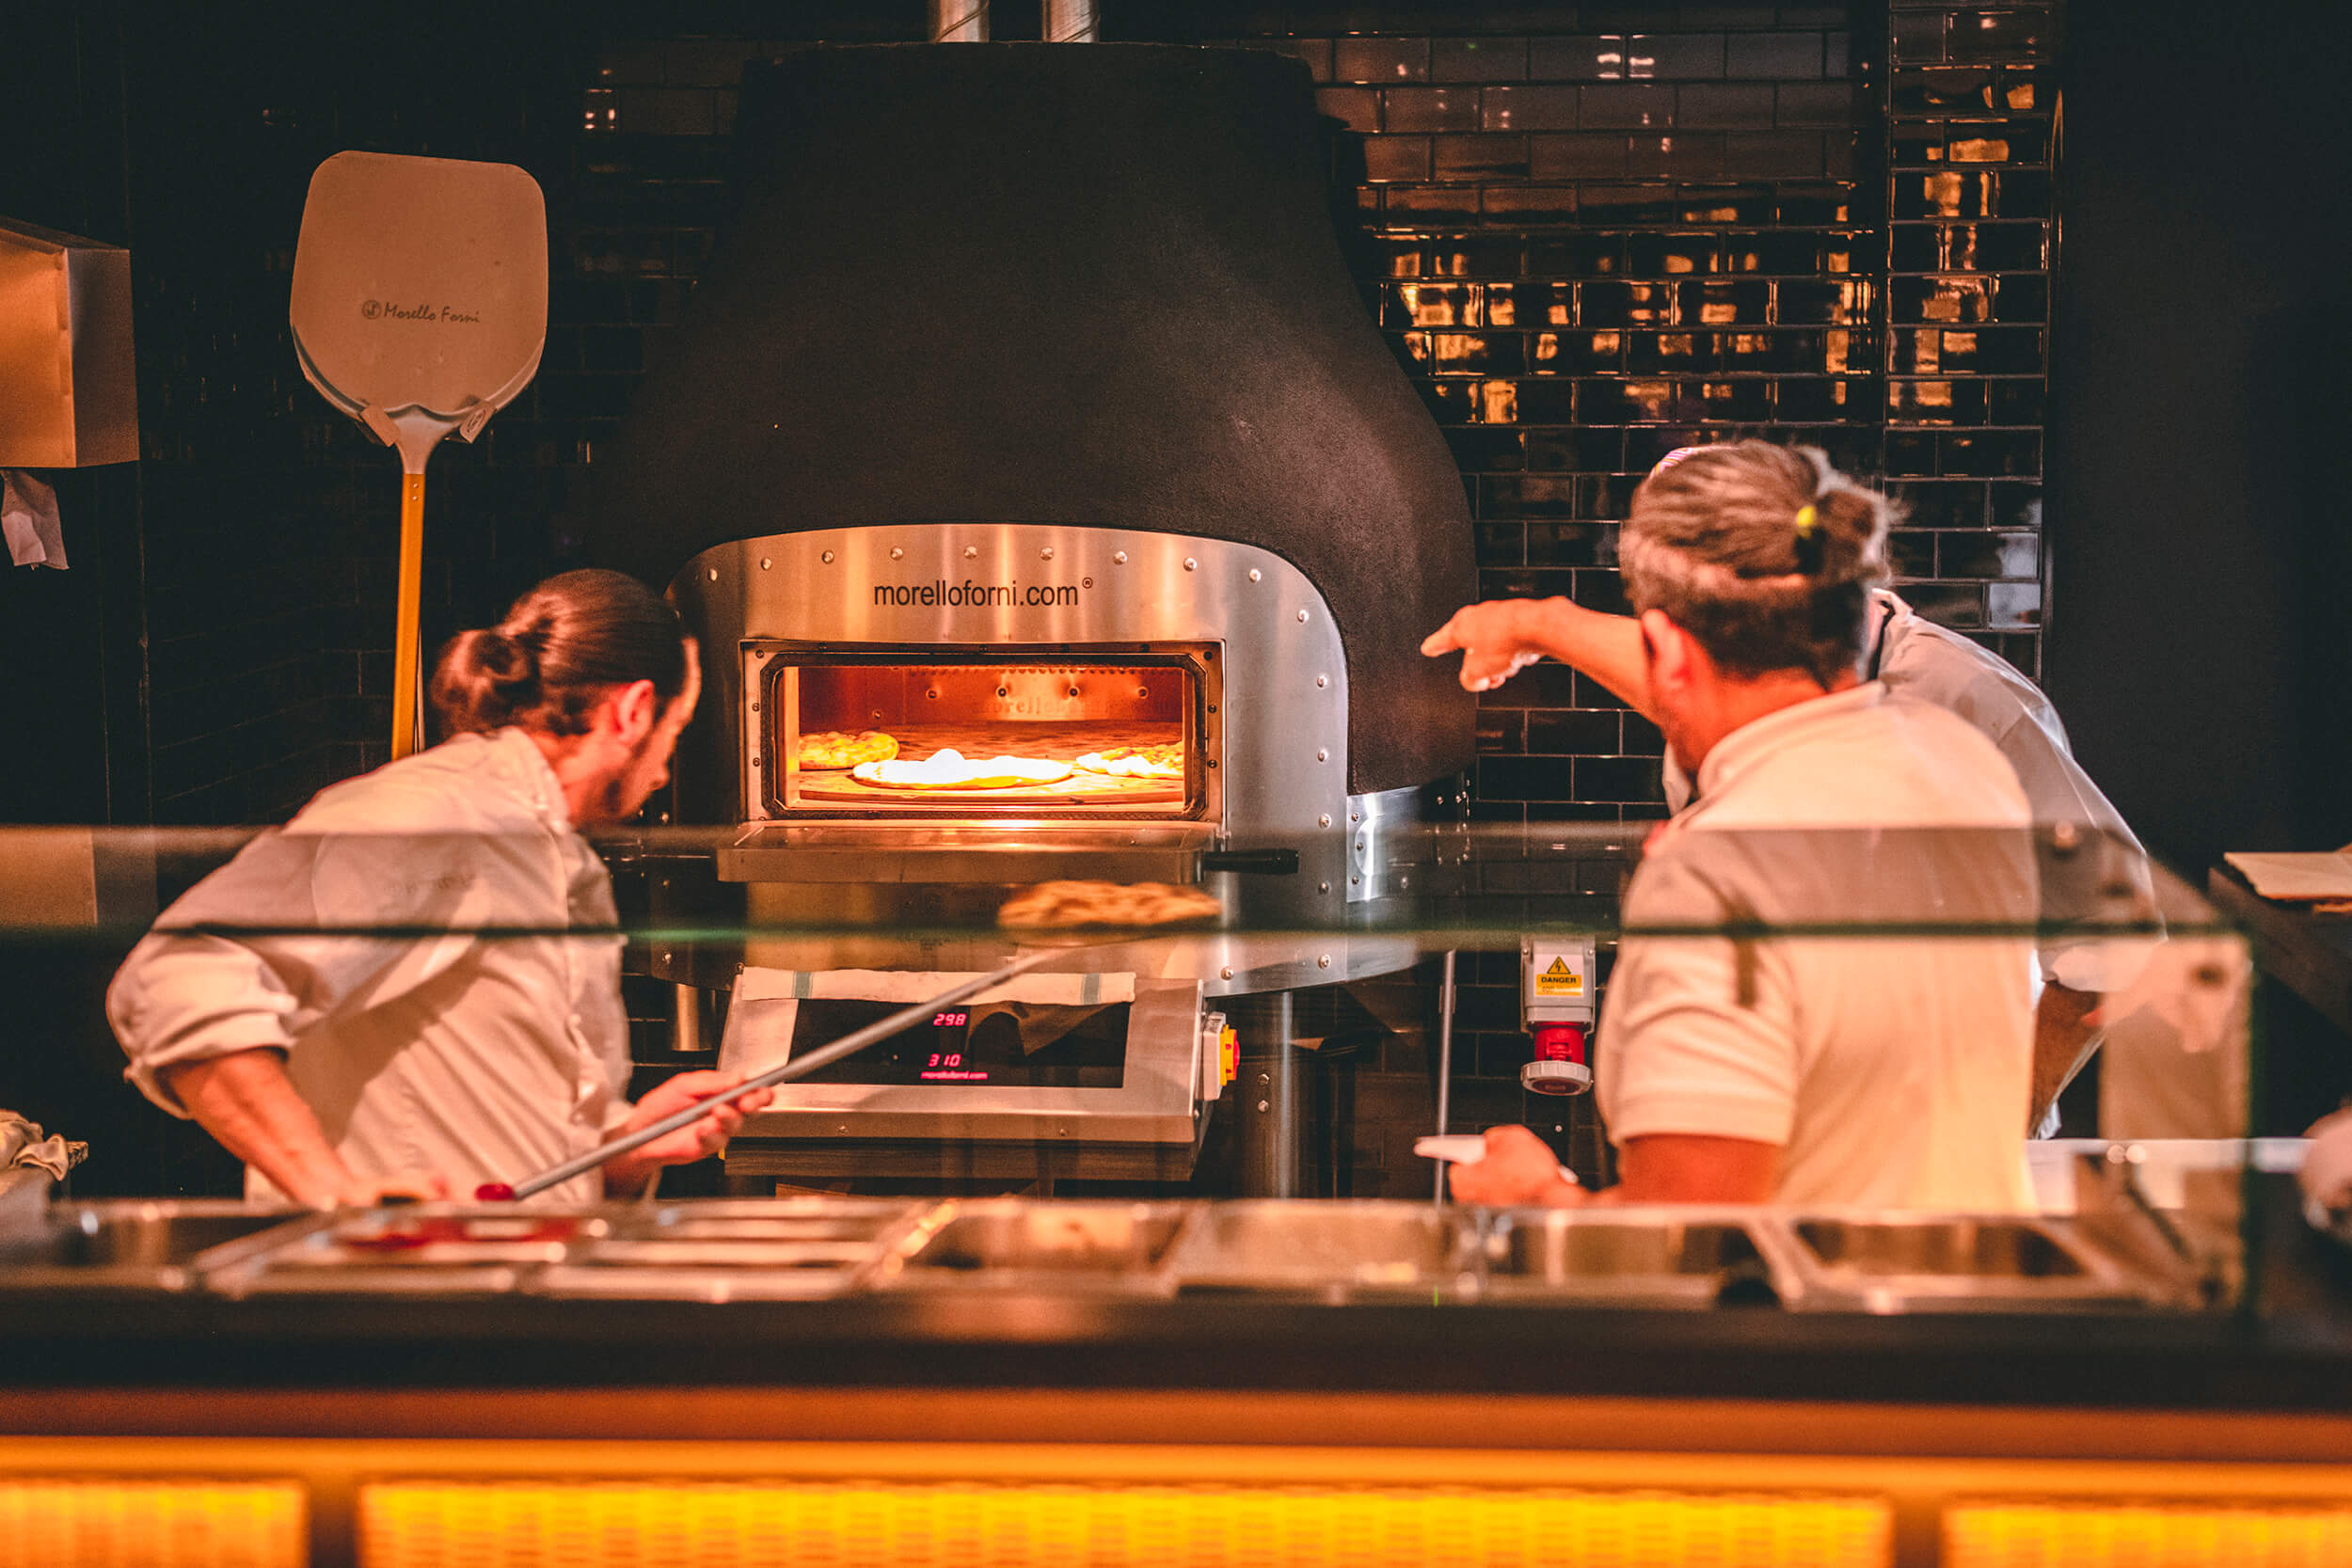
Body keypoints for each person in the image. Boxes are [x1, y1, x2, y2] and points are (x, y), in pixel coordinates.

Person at [1423, 450, 2148, 1132]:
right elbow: (1669, 674)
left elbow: (2115, 933)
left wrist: (2010, 1111)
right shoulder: (1777, 671)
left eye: (1664, 630)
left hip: (1925, 1127)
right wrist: (1533, 622)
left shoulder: (1965, 705)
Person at [107, 569, 769, 1207]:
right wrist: (331, 1189)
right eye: (673, 736)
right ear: (634, 711)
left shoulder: (553, 850)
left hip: (502, 1287)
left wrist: (626, 1148)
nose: (662, 772)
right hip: (394, 1299)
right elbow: (176, 976)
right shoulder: (434, 817)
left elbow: (497, 1134)